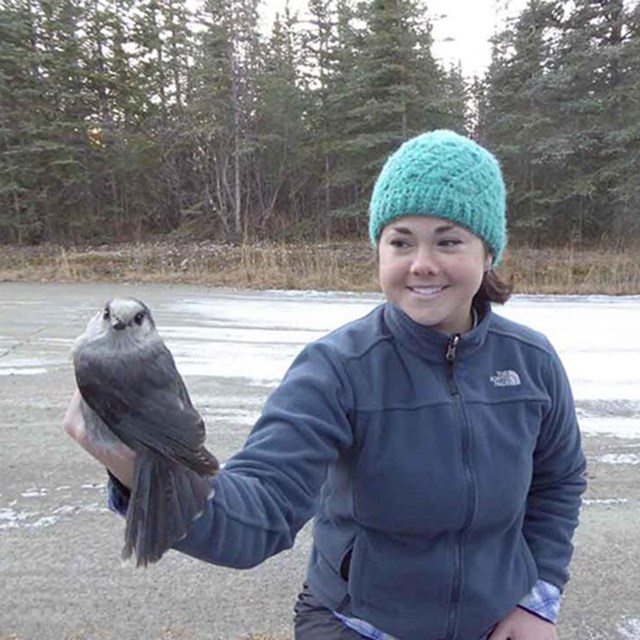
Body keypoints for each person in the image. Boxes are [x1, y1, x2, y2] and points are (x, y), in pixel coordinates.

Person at [63, 130, 587, 640]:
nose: (422, 264)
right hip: (357, 626)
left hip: (496, 627)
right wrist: (139, 470)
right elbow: (259, 511)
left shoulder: (532, 362)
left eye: (448, 241)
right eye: (400, 241)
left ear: (488, 251)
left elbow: (558, 482)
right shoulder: (337, 367)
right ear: (380, 251)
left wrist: (537, 598)